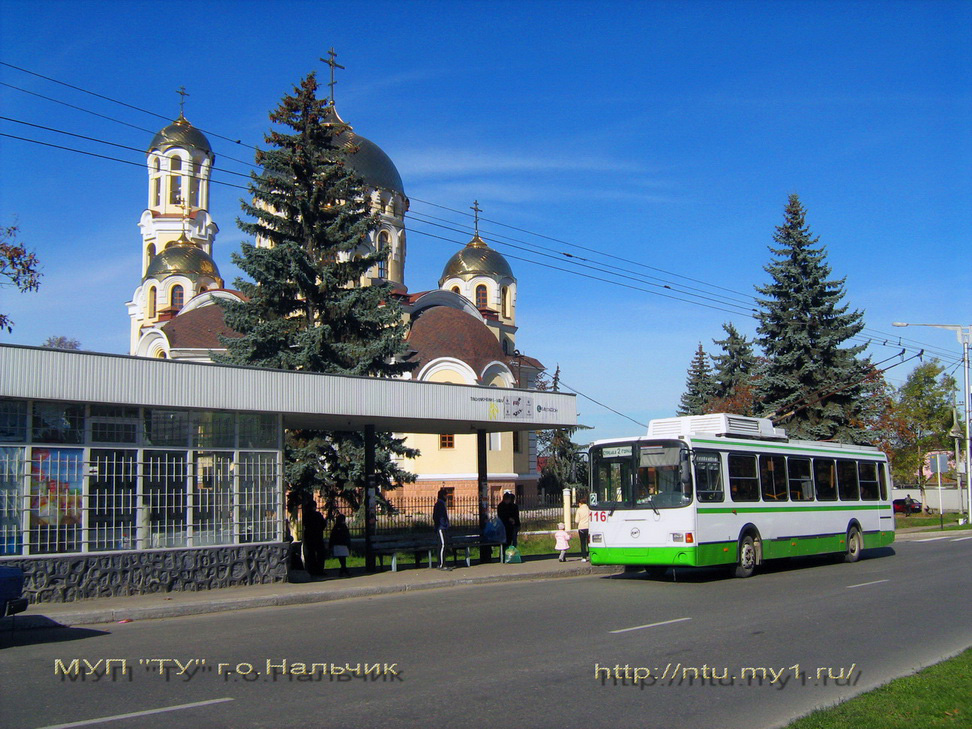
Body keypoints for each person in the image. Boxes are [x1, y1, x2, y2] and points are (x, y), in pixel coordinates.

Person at [302, 500, 327, 577]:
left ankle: (312, 569)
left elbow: (304, 524)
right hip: (317, 536)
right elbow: (323, 524)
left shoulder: (306, 515)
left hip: (309, 536)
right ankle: (320, 570)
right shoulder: (317, 515)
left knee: (310, 554)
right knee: (320, 554)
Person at [433, 488, 451, 569]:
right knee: (442, 545)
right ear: (442, 496)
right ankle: (441, 564)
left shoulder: (442, 504)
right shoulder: (439, 505)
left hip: (443, 526)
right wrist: (442, 524)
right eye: (446, 495)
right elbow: (437, 517)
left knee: (443, 545)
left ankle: (441, 563)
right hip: (441, 527)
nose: (447, 497)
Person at [329, 513, 352, 577]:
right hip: (343, 545)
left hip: (337, 545)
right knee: (343, 559)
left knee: (341, 559)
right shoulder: (344, 527)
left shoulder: (336, 527)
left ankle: (343, 571)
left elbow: (332, 537)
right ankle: (344, 570)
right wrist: (349, 545)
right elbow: (347, 536)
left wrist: (330, 545)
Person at [575, 497, 591, 562]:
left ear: (580, 503)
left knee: (583, 543)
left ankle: (584, 557)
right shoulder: (589, 509)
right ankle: (591, 554)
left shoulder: (579, 510)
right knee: (589, 542)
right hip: (589, 528)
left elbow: (576, 520)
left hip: (581, 528)